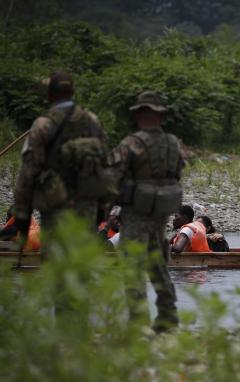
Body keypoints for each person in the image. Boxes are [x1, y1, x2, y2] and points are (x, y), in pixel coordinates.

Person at [106, 91, 185, 333]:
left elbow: (112, 178)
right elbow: (177, 174)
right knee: (158, 264)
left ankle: (138, 321)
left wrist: (107, 208)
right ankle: (168, 317)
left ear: (141, 113)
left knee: (133, 266)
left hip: (136, 214)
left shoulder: (131, 143)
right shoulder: (173, 143)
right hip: (160, 214)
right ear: (161, 115)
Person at [12, 71, 112, 241]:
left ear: (50, 94)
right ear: (72, 92)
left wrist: (22, 214)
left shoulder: (43, 125)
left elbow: (29, 172)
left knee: (56, 261)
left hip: (55, 207)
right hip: (87, 207)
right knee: (83, 262)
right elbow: (104, 167)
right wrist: (103, 208)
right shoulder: (93, 121)